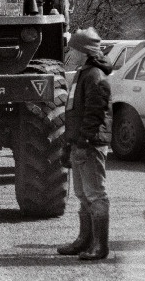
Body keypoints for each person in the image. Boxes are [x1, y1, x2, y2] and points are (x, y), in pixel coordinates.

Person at [57, 27, 113, 261]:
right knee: (82, 193)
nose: (69, 52)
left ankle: (100, 247)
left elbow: (95, 114)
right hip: (81, 142)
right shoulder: (84, 73)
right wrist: (71, 143)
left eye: (73, 49)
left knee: (95, 194)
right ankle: (85, 241)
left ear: (84, 51)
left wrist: (84, 142)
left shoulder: (94, 76)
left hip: (90, 144)